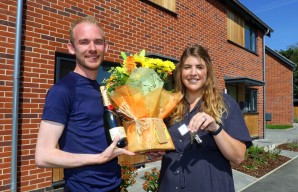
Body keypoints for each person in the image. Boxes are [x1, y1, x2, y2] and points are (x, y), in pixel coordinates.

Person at [35, 16, 135, 192]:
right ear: (71, 48)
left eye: (98, 42)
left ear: (106, 47)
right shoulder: (62, 91)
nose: (92, 48)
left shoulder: (102, 90)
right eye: (84, 42)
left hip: (114, 185)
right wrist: (98, 158)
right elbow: (43, 156)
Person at [158, 44, 252, 192]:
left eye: (199, 67)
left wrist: (215, 128)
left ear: (207, 71)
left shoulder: (225, 104)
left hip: (210, 185)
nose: (193, 73)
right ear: (180, 71)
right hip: (169, 185)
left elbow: (239, 157)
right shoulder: (170, 104)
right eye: (187, 67)